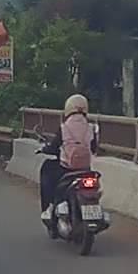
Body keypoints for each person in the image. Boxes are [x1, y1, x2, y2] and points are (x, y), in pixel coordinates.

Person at [39, 94, 99, 222]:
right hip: (85, 169)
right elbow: (94, 149)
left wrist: (45, 149)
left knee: (46, 169)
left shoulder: (64, 127)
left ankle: (49, 207)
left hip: (66, 169)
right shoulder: (91, 127)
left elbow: (54, 147)